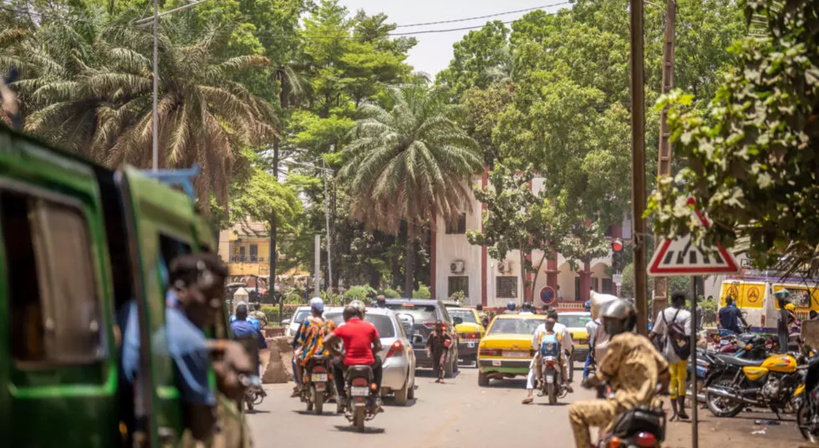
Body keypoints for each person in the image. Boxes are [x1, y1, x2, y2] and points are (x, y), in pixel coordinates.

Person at [120, 253, 252, 442]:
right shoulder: (190, 341)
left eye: (219, 297)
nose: (214, 304)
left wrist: (219, 346)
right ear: (181, 289)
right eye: (207, 294)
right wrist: (216, 379)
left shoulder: (133, 310)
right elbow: (202, 428)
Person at [568, 299, 670, 448]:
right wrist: (657, 390)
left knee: (575, 411)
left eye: (613, 322)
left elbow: (603, 372)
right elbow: (665, 371)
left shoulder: (619, 341)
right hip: (650, 408)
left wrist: (590, 382)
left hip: (623, 406)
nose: (609, 326)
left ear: (626, 323)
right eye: (607, 322)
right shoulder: (643, 342)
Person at [324, 301, 383, 410]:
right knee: (378, 362)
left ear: (346, 316)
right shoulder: (370, 327)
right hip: (368, 363)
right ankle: (375, 395)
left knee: (335, 364)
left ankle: (341, 395)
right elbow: (378, 346)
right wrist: (370, 353)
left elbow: (325, 341)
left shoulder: (343, 327)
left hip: (348, 363)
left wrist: (338, 355)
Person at [650, 291, 691, 421]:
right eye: (683, 299)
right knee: (682, 379)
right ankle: (681, 409)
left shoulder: (662, 313)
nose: (684, 302)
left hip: (669, 350)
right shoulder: (687, 315)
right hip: (682, 351)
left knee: (672, 380)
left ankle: (674, 412)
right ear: (679, 300)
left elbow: (654, 332)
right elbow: (688, 335)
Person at [523, 310, 573, 404]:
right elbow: (568, 344)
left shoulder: (540, 327)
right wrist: (566, 348)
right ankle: (566, 382)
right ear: (556, 319)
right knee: (565, 364)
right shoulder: (562, 327)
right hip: (558, 355)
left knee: (532, 370)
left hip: (543, 354)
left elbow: (534, 343)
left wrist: (537, 348)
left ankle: (530, 393)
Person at [291, 297, 336, 396]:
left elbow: (301, 339)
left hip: (309, 353)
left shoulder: (307, 322)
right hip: (327, 353)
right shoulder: (330, 323)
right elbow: (335, 339)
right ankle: (334, 385)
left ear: (312, 310)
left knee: (297, 361)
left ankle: (300, 384)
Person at [582, 315, 600, 381]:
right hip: (604, 345)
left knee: (589, 359)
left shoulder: (589, 324)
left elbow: (589, 335)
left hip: (593, 345)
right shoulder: (605, 323)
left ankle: (585, 376)